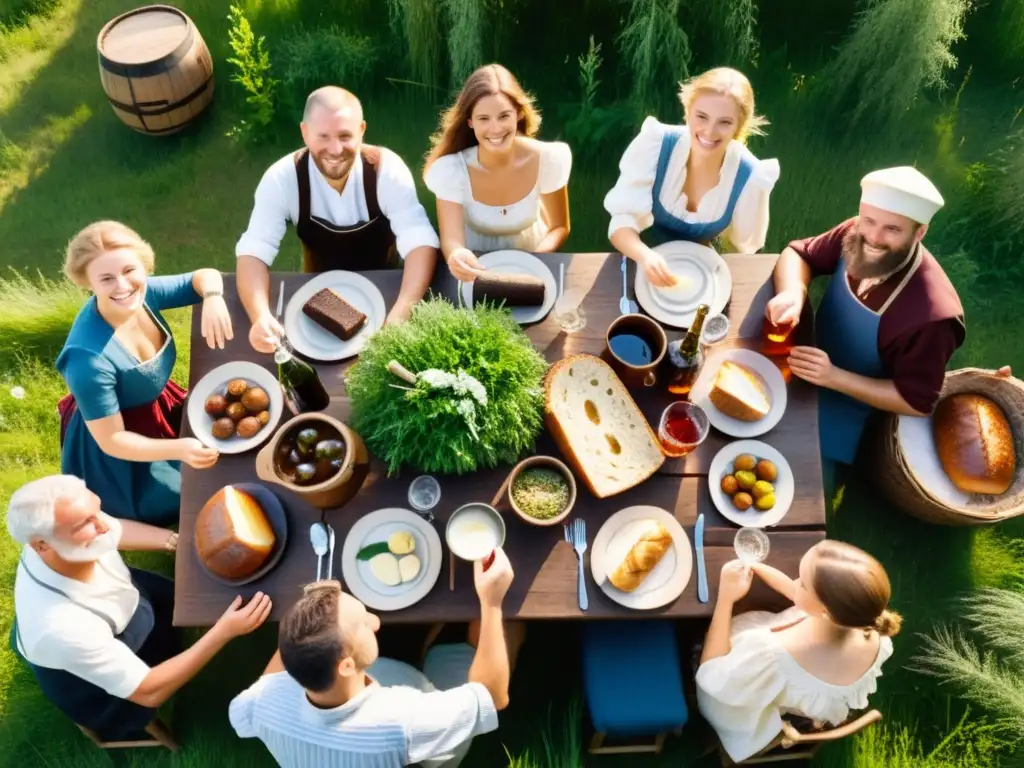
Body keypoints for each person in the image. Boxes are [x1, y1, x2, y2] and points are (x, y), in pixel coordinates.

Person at [7, 475, 271, 743]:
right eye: (85, 523)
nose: (104, 525)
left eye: (96, 510)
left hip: (124, 600)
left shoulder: (66, 536)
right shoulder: (61, 628)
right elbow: (148, 691)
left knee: (174, 607)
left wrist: (175, 542)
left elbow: (114, 528)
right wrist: (223, 632)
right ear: (41, 545)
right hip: (90, 678)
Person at [229, 549, 526, 767]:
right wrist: (492, 602)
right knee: (499, 627)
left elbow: (244, 708)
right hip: (425, 753)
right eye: (363, 623)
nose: (375, 621)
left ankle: (429, 643)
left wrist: (305, 624)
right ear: (345, 665)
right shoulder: (404, 721)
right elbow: (491, 697)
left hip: (380, 692)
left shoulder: (262, 702)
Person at [765, 166, 966, 474]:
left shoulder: (934, 318)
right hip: (804, 353)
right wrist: (793, 292)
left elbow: (915, 402)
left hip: (848, 401)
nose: (873, 238)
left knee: (792, 470)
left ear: (920, 231)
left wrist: (833, 377)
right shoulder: (855, 232)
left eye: (892, 229)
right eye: (868, 220)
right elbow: (799, 254)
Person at [236, 86, 440, 351]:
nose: (335, 149)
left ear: (362, 130)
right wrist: (260, 316)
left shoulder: (386, 170)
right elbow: (254, 252)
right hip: (316, 297)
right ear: (305, 133)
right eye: (323, 136)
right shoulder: (281, 179)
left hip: (388, 288)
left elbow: (419, 239)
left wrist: (403, 310)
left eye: (345, 136)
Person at [57, 220, 231, 526]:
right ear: (87, 283)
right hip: (121, 440)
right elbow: (112, 440)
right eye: (106, 278)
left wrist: (214, 296)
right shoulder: (87, 360)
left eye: (129, 271)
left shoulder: (144, 293)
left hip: (157, 405)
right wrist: (179, 448)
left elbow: (202, 277)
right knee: (193, 489)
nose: (123, 286)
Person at [695, 541, 899, 763]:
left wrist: (726, 597)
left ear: (826, 611)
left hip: (733, 696)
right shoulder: (871, 634)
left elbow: (712, 673)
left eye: (803, 584)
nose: (796, 582)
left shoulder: (773, 656)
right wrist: (755, 566)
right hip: (777, 689)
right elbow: (793, 592)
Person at [604, 67, 779, 287]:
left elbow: (743, 251)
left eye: (724, 122)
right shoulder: (657, 144)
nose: (709, 131)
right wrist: (645, 256)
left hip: (698, 274)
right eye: (701, 116)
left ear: (738, 127)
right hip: (638, 261)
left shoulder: (750, 176)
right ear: (688, 111)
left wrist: (714, 279)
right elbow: (622, 221)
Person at [423, 64, 572, 282]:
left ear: (519, 114)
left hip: (535, 264)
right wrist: (457, 255)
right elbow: (451, 240)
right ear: (470, 122)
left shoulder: (548, 158)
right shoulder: (451, 170)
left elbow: (559, 227)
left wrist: (534, 261)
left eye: (504, 116)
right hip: (476, 270)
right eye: (484, 119)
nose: (495, 129)